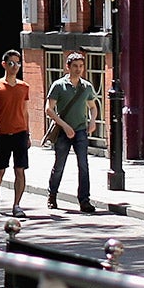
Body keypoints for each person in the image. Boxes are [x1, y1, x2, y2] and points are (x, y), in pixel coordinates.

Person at [45, 52, 99, 214]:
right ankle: (52, 195)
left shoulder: (86, 86)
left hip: (80, 130)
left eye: (81, 66)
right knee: (59, 166)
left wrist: (92, 121)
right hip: (63, 131)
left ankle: (84, 200)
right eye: (75, 66)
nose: (78, 69)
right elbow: (49, 109)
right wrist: (65, 126)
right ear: (67, 67)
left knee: (83, 165)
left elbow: (93, 107)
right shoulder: (59, 85)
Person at [0, 48, 31, 216]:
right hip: (2, 134)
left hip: (20, 133)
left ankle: (17, 205)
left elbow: (25, 111)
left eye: (18, 63)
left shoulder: (24, 87)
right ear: (4, 64)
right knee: (0, 169)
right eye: (11, 63)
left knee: (20, 170)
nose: (15, 66)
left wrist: (28, 133)